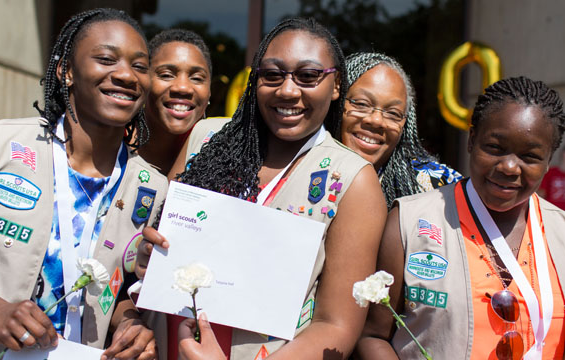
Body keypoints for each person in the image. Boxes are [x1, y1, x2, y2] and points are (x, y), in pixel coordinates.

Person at [137, 18, 387, 359]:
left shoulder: (353, 180)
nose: (287, 90)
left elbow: (336, 327)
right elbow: (155, 252)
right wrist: (150, 259)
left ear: (336, 85)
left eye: (308, 76)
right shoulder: (205, 138)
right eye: (272, 75)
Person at [0, 8, 167, 359]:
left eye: (140, 66)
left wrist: (129, 324)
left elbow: (118, 291)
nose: (127, 75)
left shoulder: (150, 189)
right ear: (66, 71)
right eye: (105, 59)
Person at [356, 76, 565, 359]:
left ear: (548, 161)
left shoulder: (560, 232)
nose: (509, 167)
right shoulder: (409, 222)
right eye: (494, 148)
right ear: (471, 141)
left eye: (530, 156)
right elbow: (373, 336)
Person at [341, 52, 462, 208]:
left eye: (393, 113)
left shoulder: (439, 186)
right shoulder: (303, 164)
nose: (376, 120)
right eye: (362, 104)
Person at [138, 28, 212, 174]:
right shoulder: (113, 145)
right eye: (166, 75)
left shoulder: (219, 155)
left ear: (209, 92)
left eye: (197, 78)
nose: (183, 87)